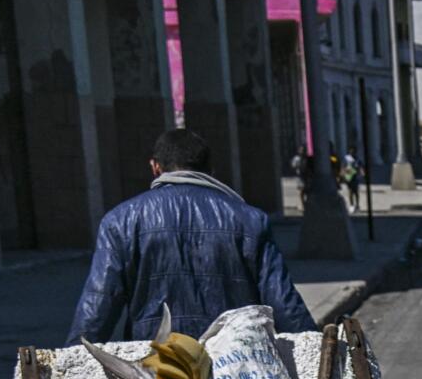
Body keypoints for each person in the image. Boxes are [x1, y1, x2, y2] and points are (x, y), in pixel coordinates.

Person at [67, 128, 317, 344]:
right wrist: (317, 352)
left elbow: (97, 307)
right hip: (236, 366)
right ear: (210, 169)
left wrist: (71, 367)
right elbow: (283, 302)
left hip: (159, 370)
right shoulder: (249, 219)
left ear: (155, 167)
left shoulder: (120, 221)